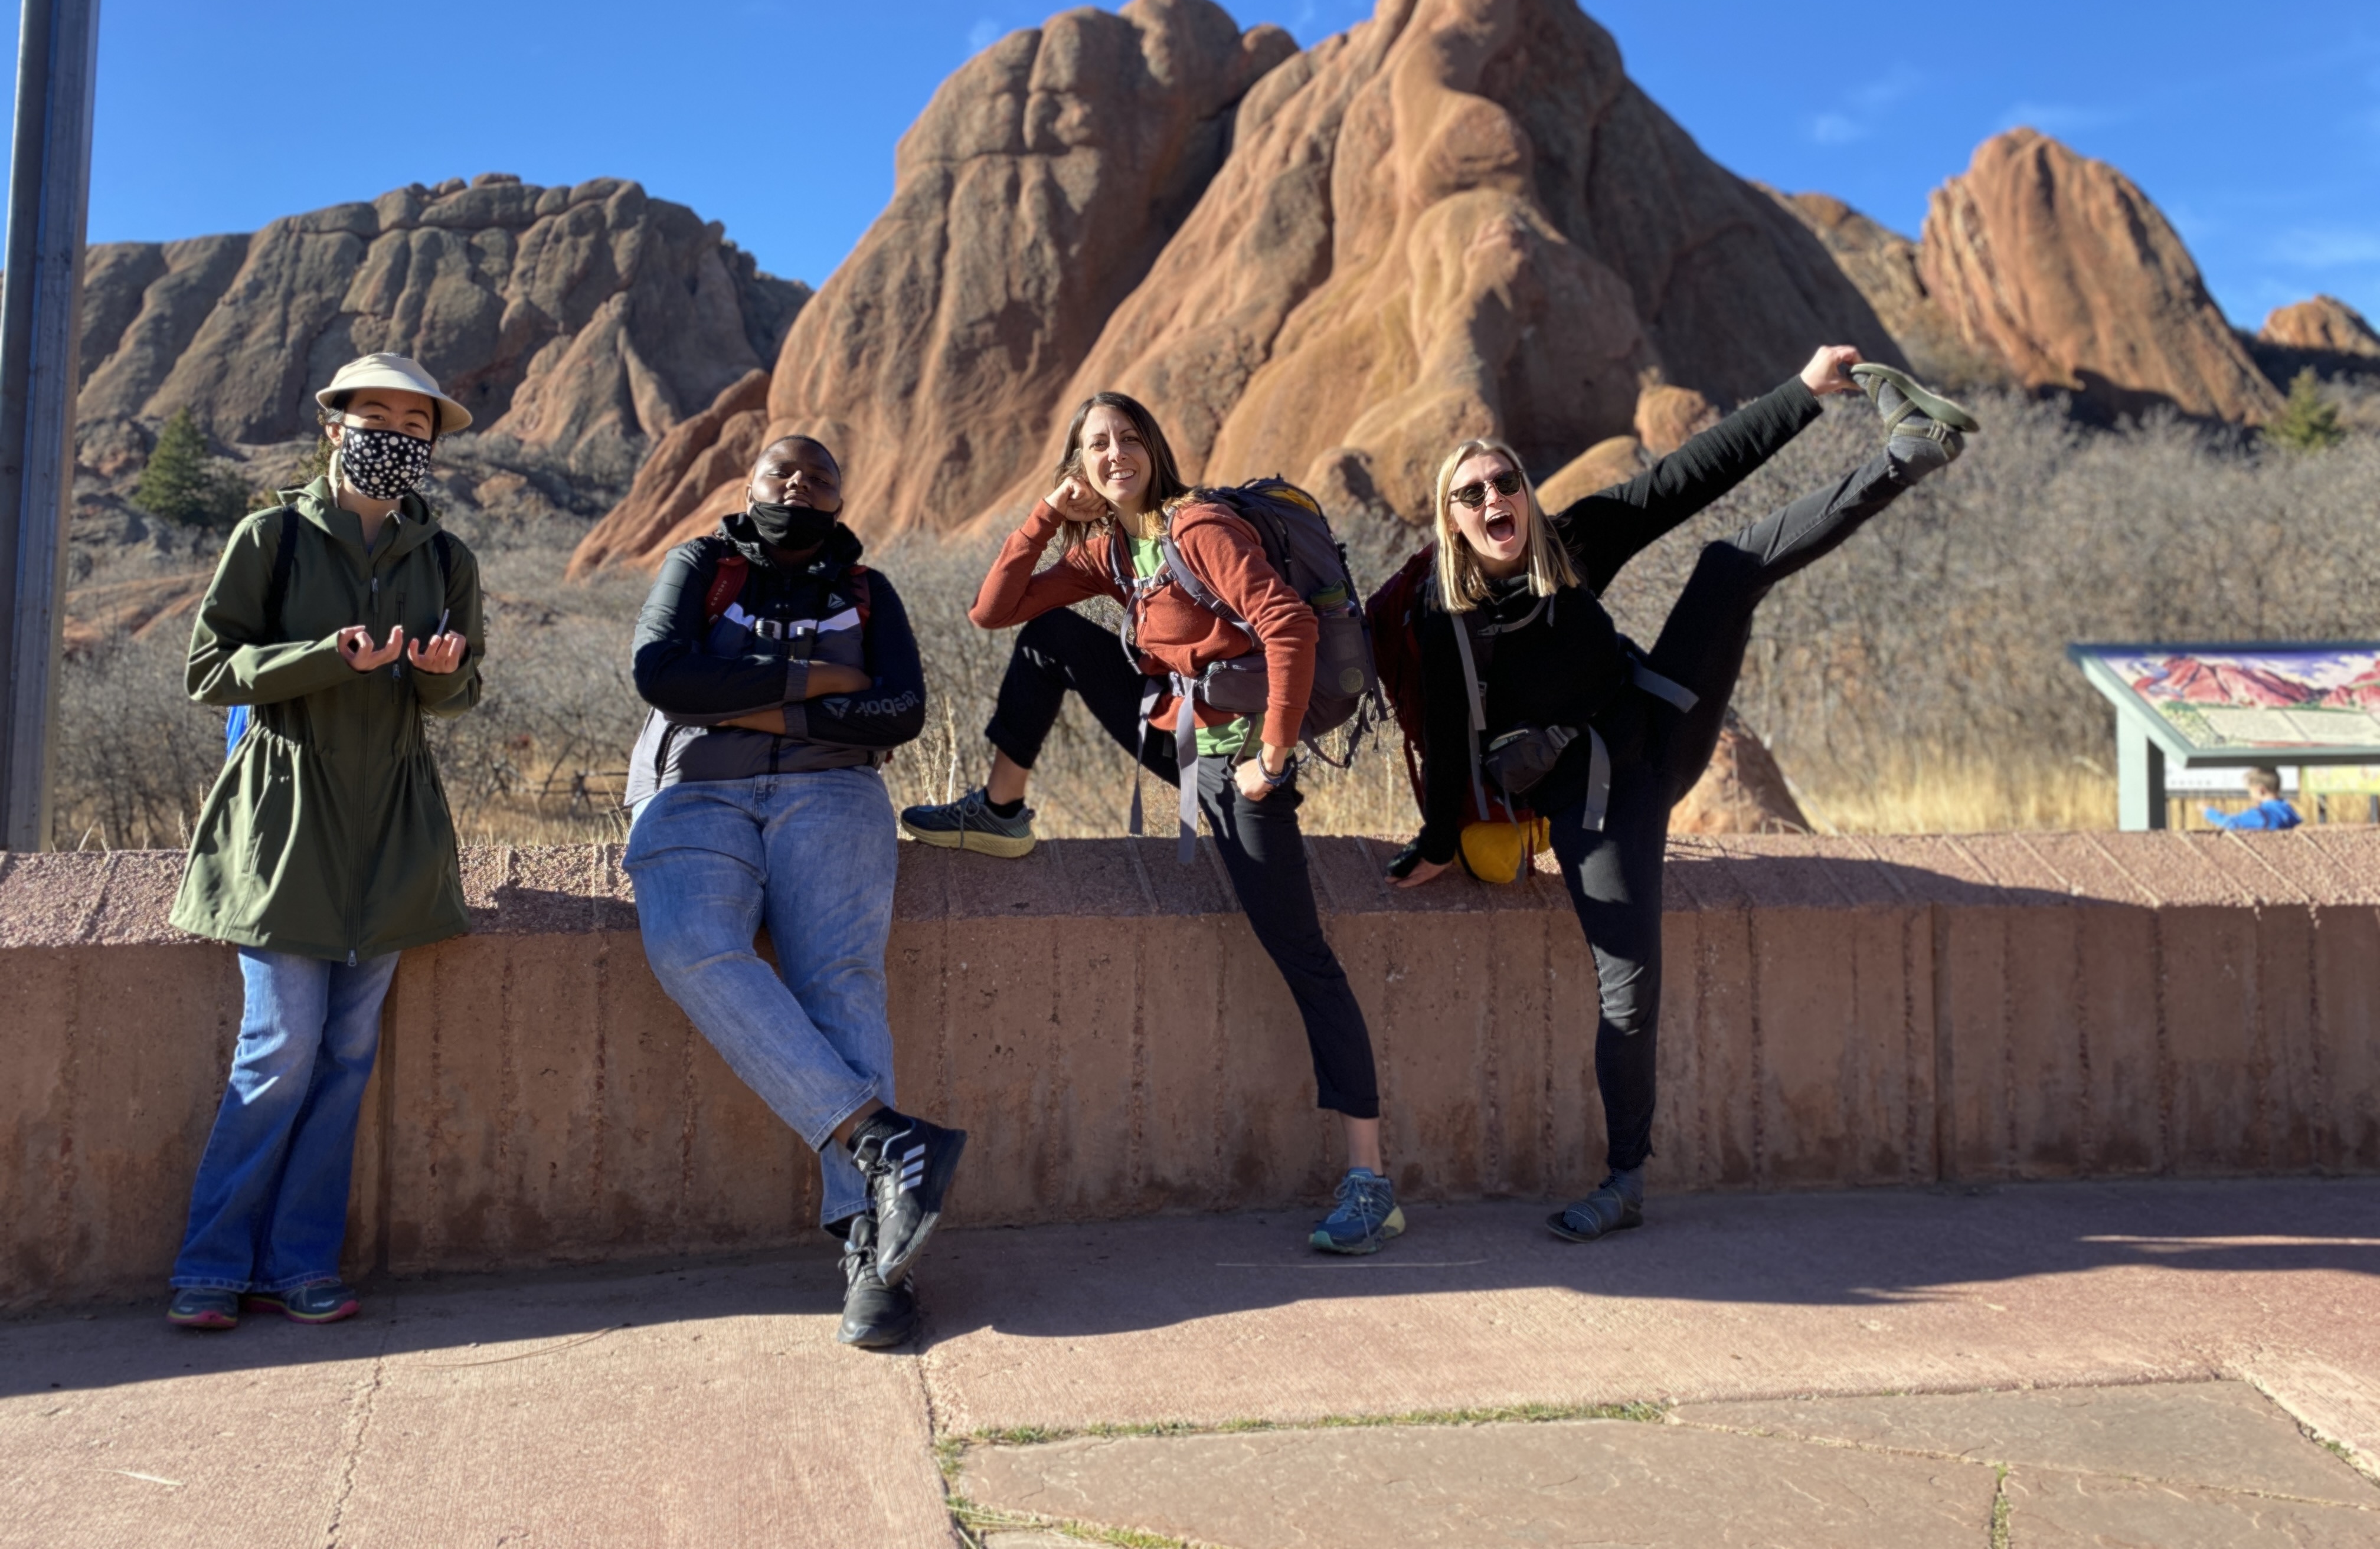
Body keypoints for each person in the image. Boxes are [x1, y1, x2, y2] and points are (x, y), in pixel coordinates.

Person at [1390, 352, 1977, 1244]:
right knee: (1627, 991)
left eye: (1503, 482)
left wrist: (1806, 392)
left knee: (1726, 564)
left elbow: (1687, 476)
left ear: (1525, 492)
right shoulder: (1446, 618)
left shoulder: (1575, 541)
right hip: (1594, 809)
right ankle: (1626, 1178)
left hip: (1663, 729)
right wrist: (1437, 841)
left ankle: (1908, 451)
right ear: (1451, 518)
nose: (1490, 501)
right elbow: (1440, 732)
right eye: (1469, 494)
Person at [900, 393, 1404, 1255]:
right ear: (1080, 465)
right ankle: (1001, 809)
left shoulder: (1197, 526)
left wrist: (1272, 759)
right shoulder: (1115, 550)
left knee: (1301, 951)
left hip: (1236, 757)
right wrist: (1044, 515)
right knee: (1050, 637)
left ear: (1153, 448)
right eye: (1096, 446)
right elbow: (994, 610)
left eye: (1127, 439)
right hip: (1173, 731)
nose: (1114, 454)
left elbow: (1285, 624)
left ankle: (1371, 1182)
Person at [622, 432, 962, 1351]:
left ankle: (876, 1261)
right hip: (696, 793)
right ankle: (883, 1137)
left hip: (834, 794)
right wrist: (818, 683)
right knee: (692, 946)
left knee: (842, 984)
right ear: (750, 485)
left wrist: (736, 696)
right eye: (784, 473)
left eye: (820, 478)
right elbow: (660, 674)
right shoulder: (703, 563)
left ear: (841, 500)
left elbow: (901, 708)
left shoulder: (867, 590)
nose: (800, 487)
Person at [166, 353, 483, 1329]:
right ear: (334, 423)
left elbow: (464, 692)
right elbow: (209, 667)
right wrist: (324, 657)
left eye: (414, 421)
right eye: (375, 413)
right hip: (284, 823)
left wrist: (432, 672)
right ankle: (210, 1262)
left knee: (345, 1055)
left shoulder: (446, 558)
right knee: (279, 1050)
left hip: (391, 827)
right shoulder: (272, 535)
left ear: (431, 442)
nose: (395, 432)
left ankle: (299, 1260)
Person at [2205, 768, 2303, 830]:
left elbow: (2230, 823)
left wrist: (2208, 811)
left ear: (2261, 790)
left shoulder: (2261, 815)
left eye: (2250, 791)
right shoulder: (2288, 810)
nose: (2250, 796)